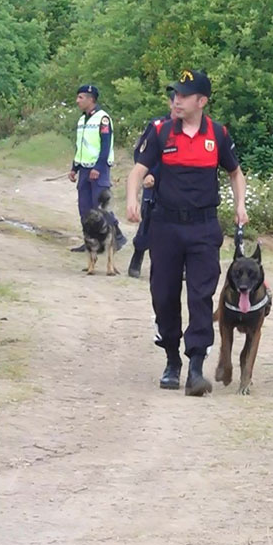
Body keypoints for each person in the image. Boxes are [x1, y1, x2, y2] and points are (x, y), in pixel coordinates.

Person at [125, 69, 248, 396]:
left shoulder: (218, 135)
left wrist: (240, 205)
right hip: (165, 226)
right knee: (163, 294)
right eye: (174, 94)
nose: (176, 100)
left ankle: (195, 366)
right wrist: (131, 198)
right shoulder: (161, 132)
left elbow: (236, 172)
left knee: (200, 294)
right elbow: (137, 171)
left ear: (201, 101)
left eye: (183, 95)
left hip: (203, 227)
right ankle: (171, 360)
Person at [127, 96, 180, 278]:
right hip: (153, 184)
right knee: (148, 222)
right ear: (170, 103)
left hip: (177, 186)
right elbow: (141, 153)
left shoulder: (190, 129)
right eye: (175, 101)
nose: (178, 105)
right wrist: (148, 174)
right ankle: (138, 255)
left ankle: (179, 266)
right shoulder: (157, 126)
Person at [70, 84, 126, 252]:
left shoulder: (103, 119)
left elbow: (106, 145)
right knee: (84, 207)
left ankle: (117, 236)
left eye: (81, 97)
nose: (77, 101)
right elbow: (81, 146)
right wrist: (74, 167)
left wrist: (99, 167)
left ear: (91, 99)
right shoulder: (82, 119)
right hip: (84, 169)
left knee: (100, 205)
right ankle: (90, 241)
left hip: (98, 169)